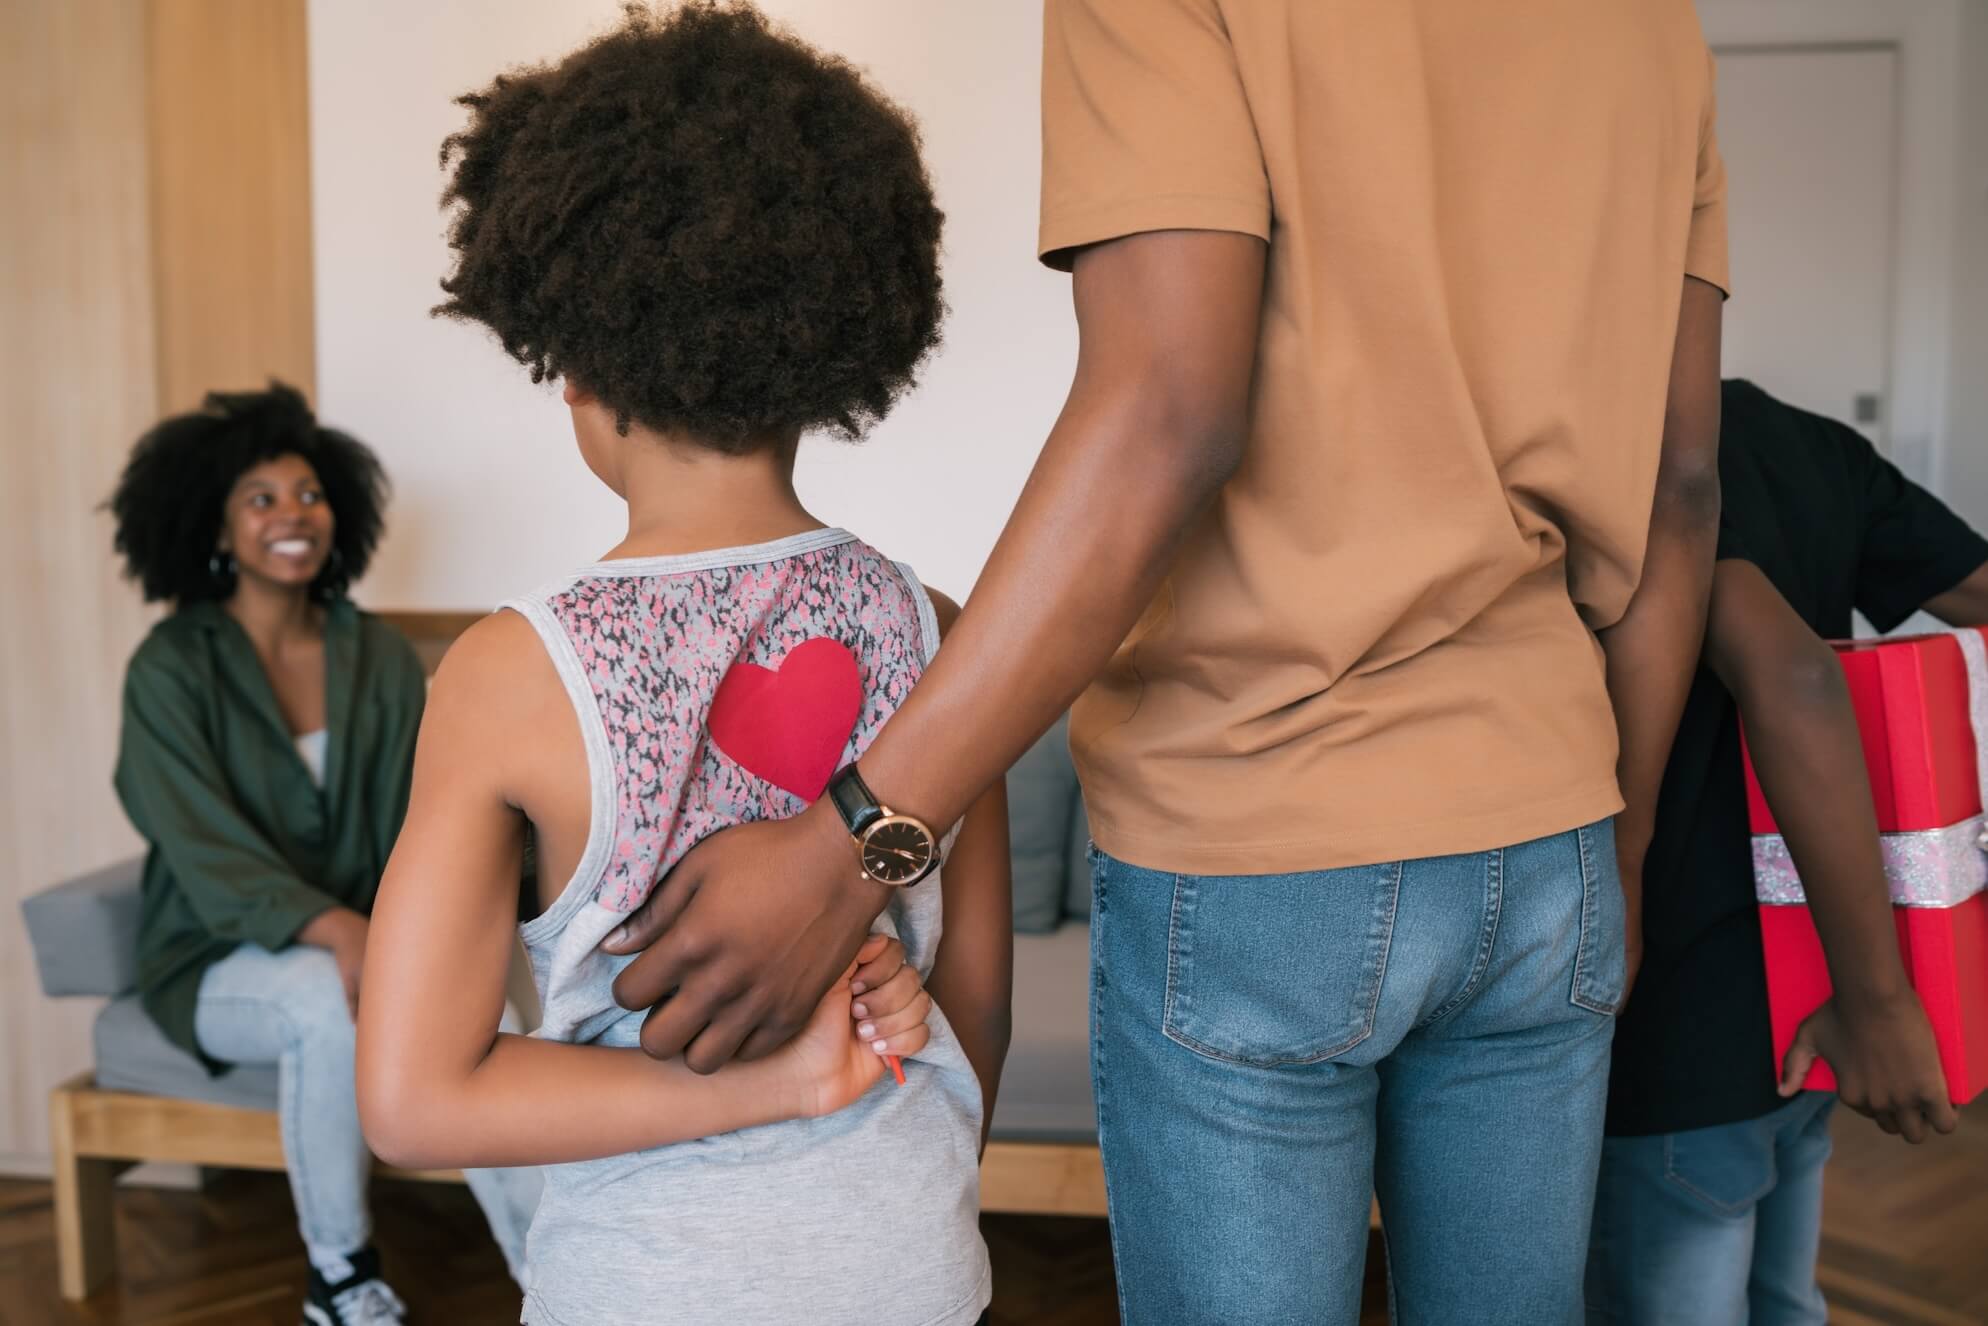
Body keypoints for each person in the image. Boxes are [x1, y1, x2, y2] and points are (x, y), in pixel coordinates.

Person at [605, 2, 1732, 1322]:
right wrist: (1624, 845)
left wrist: (850, 837)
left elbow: (1167, 410)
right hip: (1554, 831)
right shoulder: (1653, 25)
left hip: (1262, 826)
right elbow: (1684, 485)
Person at [351, 8, 1012, 1326]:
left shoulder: (505, 675)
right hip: (913, 1268)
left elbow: (412, 1101)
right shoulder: (942, 629)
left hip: (645, 1284)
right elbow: (974, 1024)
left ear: (578, 360)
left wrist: (760, 1084)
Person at [107, 383, 537, 1326]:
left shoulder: (376, 657)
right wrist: (343, 933)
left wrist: (409, 944)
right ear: (216, 525)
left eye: (308, 493)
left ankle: (555, 1275)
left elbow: (416, 823)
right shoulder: (172, 669)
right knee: (327, 1008)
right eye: (260, 497)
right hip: (221, 960)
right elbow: (197, 842)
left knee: (483, 1009)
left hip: (377, 936)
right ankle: (338, 1278)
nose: (292, 514)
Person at [1587, 380, 1976, 1325]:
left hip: (1679, 1020)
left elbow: (1795, 671)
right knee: (1786, 1304)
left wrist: (1881, 1001)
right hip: (1813, 1004)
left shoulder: (1617, 442)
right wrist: (1871, 996)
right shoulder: (1809, 444)